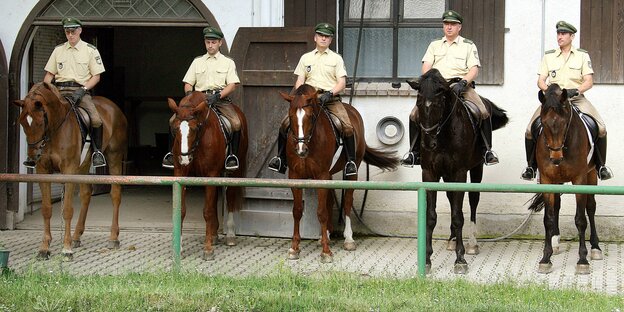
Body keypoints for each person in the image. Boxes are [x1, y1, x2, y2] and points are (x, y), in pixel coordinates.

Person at [401, 10, 499, 167]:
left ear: (459, 27)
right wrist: (430, 83)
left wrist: (463, 82)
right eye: (446, 24)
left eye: (453, 24)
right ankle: (414, 152)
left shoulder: (468, 45)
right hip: (437, 88)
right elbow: (426, 66)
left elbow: (474, 69)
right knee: (414, 114)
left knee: (483, 111)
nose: (449, 27)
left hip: (460, 86)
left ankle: (487, 151)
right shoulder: (434, 45)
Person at [521, 21, 613, 181]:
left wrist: (576, 90)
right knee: (530, 129)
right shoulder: (549, 56)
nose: (560, 36)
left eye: (563, 34)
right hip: (553, 102)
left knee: (601, 127)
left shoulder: (582, 56)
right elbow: (541, 81)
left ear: (572, 36)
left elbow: (588, 81)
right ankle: (531, 166)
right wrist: (549, 92)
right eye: (558, 33)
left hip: (576, 99)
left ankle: (601, 166)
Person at [268, 23, 357, 176]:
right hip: (307, 100)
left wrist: (330, 93)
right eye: (321, 35)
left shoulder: (336, 59)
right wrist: (299, 96)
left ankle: (350, 162)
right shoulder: (306, 58)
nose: (323, 38)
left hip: (330, 99)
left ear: (331, 40)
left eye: (327, 36)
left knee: (347, 126)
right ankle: (281, 159)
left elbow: (341, 82)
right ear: (315, 38)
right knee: (284, 124)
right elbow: (300, 81)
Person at [162, 26, 242, 171]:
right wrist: (189, 97)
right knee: (173, 121)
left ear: (220, 43)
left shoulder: (228, 62)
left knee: (236, 123)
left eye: (213, 42)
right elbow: (188, 83)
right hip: (197, 100)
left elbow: (232, 85)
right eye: (208, 42)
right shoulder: (197, 61)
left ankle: (232, 156)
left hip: (219, 99)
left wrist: (217, 96)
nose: (210, 45)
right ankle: (170, 155)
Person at [35, 17, 106, 168]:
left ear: (80, 31)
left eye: (73, 31)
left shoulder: (90, 50)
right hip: (59, 91)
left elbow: (96, 76)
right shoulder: (58, 50)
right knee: (40, 116)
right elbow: (49, 75)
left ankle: (97, 152)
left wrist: (83, 90)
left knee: (96, 119)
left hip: (81, 91)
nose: (70, 35)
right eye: (67, 32)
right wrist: (46, 90)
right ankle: (36, 152)